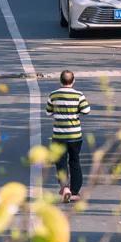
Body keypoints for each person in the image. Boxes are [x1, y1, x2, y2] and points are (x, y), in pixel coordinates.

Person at [44, 69, 90, 203]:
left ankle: (64, 188)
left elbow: (48, 112)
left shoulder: (53, 95)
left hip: (59, 136)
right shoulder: (79, 95)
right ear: (73, 81)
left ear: (60, 81)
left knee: (60, 162)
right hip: (75, 136)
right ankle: (75, 192)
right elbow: (86, 110)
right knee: (74, 161)